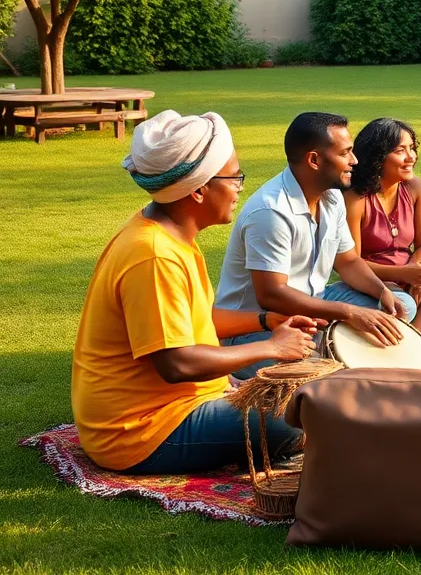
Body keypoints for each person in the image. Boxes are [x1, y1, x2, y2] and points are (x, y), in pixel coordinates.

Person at [72, 111, 320, 474]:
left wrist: (267, 320)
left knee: (297, 390)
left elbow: (197, 321)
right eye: (234, 177)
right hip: (141, 431)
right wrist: (272, 346)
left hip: (176, 405)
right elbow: (177, 363)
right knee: (297, 418)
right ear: (199, 189)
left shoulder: (170, 234)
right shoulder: (154, 254)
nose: (240, 186)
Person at [215, 112, 406, 379]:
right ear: (314, 160)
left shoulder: (332, 197)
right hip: (257, 329)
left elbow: (348, 261)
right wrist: (349, 313)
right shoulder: (271, 211)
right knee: (313, 368)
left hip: (315, 305)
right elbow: (271, 295)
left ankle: (336, 349)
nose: (354, 160)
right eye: (345, 153)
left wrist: (382, 291)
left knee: (400, 304)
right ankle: (336, 354)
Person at [345, 118, 421, 357]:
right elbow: (351, 263)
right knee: (401, 303)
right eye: (400, 150)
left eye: (412, 148)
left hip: (409, 273)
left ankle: (415, 338)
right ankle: (407, 342)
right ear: (377, 156)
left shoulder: (415, 187)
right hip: (371, 279)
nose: (411, 157)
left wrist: (415, 272)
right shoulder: (355, 199)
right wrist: (403, 275)